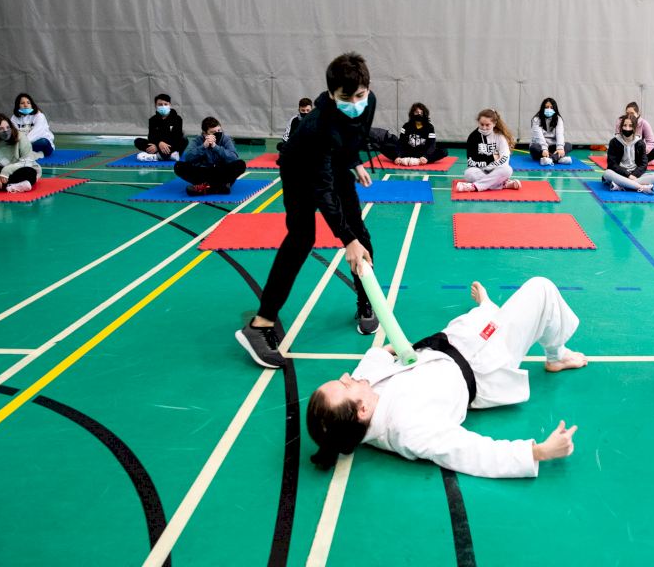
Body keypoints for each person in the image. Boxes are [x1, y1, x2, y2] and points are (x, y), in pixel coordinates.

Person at [307, 277, 586, 477]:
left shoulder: (361, 395)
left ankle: (487, 308)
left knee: (482, 318)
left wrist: (395, 350)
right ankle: (556, 355)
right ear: (362, 410)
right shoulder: (410, 430)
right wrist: (540, 452)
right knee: (541, 289)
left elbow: (376, 356)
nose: (347, 375)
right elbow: (472, 452)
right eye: (344, 384)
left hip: (448, 343)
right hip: (483, 364)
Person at [236, 53, 380, 366]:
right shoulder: (318, 126)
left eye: (360, 95)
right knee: (302, 239)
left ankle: (365, 301)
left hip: (335, 163)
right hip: (300, 172)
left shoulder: (369, 101)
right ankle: (260, 325)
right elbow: (322, 190)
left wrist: (354, 162)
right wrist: (346, 240)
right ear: (331, 94)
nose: (355, 103)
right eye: (346, 98)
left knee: (361, 233)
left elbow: (354, 134)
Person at [174, 117, 247, 196]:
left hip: (221, 172)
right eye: (213, 132)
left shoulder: (226, 139)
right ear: (205, 133)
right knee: (178, 166)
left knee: (241, 164)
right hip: (204, 172)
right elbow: (188, 158)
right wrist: (203, 146)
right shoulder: (198, 140)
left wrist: (216, 147)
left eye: (219, 130)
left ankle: (205, 188)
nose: (217, 133)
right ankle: (220, 187)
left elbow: (233, 157)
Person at [457, 109, 521, 193]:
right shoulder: (473, 137)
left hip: (497, 169)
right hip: (479, 170)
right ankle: (502, 184)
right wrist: (491, 160)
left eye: (487, 125)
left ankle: (474, 186)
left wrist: (492, 165)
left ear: (494, 123)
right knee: (468, 174)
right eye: (481, 124)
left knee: (507, 170)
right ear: (478, 122)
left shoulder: (500, 136)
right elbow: (471, 161)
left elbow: (505, 157)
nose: (484, 128)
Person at [601, 114, 654, 194]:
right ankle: (642, 187)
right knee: (607, 173)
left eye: (630, 126)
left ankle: (621, 185)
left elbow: (643, 164)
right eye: (625, 125)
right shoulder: (614, 142)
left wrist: (634, 175)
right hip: (619, 174)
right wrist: (628, 175)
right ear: (621, 127)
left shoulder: (640, 143)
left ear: (635, 128)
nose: (627, 128)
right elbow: (612, 164)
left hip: (635, 175)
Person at [134, 94, 186, 162]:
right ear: (156, 106)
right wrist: (158, 144)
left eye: (165, 104)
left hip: (171, 144)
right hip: (158, 144)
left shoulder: (177, 119)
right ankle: (168, 155)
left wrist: (158, 147)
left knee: (184, 140)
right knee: (138, 141)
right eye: (160, 104)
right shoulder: (152, 120)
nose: (163, 106)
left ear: (170, 105)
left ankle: (156, 156)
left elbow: (176, 136)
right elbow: (151, 136)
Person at [10, 93, 55, 158]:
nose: (26, 105)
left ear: (32, 105)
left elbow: (37, 132)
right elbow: (15, 133)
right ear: (18, 106)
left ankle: (23, 151)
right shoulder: (14, 118)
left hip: (38, 144)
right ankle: (25, 152)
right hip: (23, 144)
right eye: (22, 103)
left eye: (28, 103)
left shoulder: (39, 116)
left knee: (43, 142)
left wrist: (23, 144)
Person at [529, 97, 572, 165]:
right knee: (534, 147)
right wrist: (544, 149)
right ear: (543, 108)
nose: (549, 109)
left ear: (554, 109)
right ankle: (558, 159)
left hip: (553, 147)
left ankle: (548, 160)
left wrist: (560, 148)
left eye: (551, 107)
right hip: (541, 147)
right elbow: (539, 137)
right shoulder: (536, 119)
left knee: (568, 145)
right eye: (547, 107)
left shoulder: (558, 119)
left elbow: (560, 134)